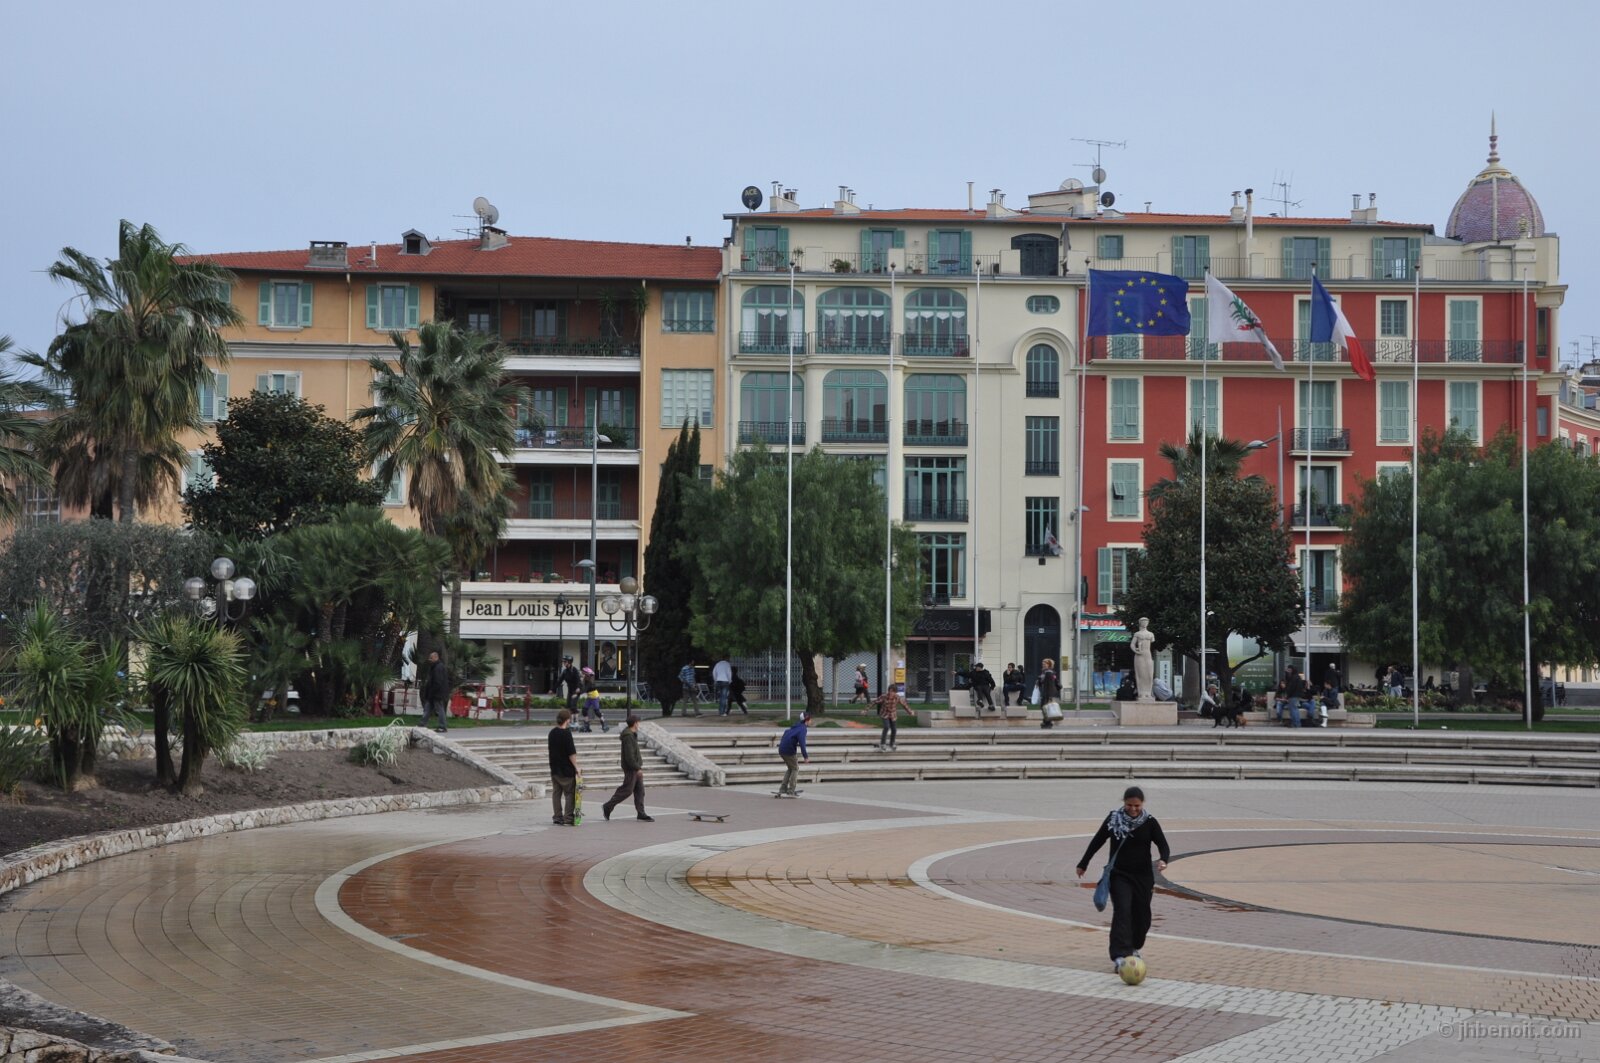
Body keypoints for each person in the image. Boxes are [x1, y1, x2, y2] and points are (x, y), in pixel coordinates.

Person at [1075, 785, 1171, 975]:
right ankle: (1119, 954)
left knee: (1142, 916)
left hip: (1143, 877)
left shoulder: (1150, 822)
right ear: (1124, 802)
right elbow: (1097, 840)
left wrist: (1163, 859)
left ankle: (1134, 947)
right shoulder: (1113, 819)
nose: (1133, 809)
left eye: (1137, 806)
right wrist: (1083, 863)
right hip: (1120, 874)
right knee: (1122, 911)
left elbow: (1163, 844)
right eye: (1129, 805)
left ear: (1142, 804)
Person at [601, 714, 653, 822]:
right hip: (631, 767)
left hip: (635, 766)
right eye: (638, 722)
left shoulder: (632, 734)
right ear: (635, 723)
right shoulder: (628, 736)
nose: (639, 724)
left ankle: (641, 813)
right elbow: (629, 756)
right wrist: (637, 767)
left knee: (640, 790)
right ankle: (608, 806)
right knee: (627, 790)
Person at [547, 709, 580, 826]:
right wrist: (576, 767)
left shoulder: (552, 733)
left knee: (556, 793)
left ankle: (557, 816)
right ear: (567, 720)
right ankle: (568, 817)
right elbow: (571, 753)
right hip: (566, 769)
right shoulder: (566, 734)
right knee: (569, 793)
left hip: (554, 768)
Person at [776, 711, 810, 796]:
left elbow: (786, 733)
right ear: (807, 720)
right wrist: (805, 756)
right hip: (789, 750)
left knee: (790, 768)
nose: (811, 721)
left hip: (782, 749)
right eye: (810, 719)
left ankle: (783, 788)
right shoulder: (803, 729)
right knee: (795, 769)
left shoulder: (795, 726)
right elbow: (802, 743)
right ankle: (791, 790)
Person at [420, 650, 451, 733]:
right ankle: (422, 724)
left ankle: (442, 726)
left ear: (436, 658)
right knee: (427, 708)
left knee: (439, 709)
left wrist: (432, 692)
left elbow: (438, 682)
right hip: (433, 693)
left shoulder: (438, 668)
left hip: (437, 693)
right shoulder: (435, 667)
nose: (429, 659)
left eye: (431, 658)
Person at [875, 685, 907, 752]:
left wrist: (910, 711)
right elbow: (874, 702)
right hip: (885, 714)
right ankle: (883, 744)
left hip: (893, 715)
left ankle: (892, 743)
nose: (891, 693)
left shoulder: (897, 697)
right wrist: (865, 710)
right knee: (886, 727)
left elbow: (904, 705)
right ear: (888, 690)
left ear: (895, 692)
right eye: (890, 691)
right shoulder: (884, 696)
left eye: (893, 692)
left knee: (894, 729)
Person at [579, 668, 609, 733]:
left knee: (597, 712)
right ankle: (586, 725)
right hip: (589, 697)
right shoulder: (585, 680)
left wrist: (577, 693)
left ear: (586, 675)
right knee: (584, 710)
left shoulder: (589, 682)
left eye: (583, 673)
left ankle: (604, 724)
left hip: (594, 697)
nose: (582, 674)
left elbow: (583, 690)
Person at [1037, 657, 1061, 729]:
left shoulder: (1048, 673)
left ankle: (1047, 722)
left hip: (1047, 693)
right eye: (1043, 664)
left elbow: (1050, 684)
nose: (1043, 665)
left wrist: (1050, 695)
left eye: (1045, 664)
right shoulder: (1046, 672)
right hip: (1046, 692)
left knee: (1046, 707)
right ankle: (1046, 721)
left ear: (1049, 665)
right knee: (1045, 707)